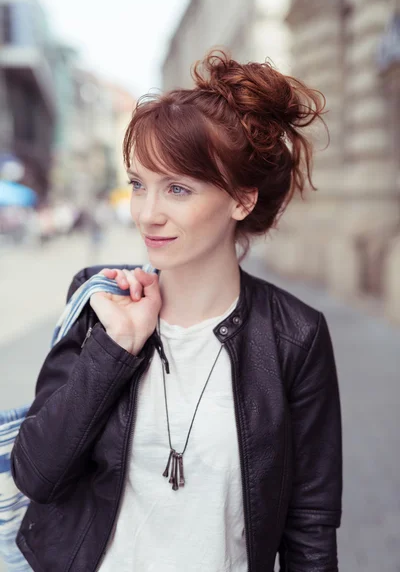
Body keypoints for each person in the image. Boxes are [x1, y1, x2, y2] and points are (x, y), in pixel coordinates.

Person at [11, 50, 342, 572]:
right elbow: (36, 474)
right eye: (139, 184)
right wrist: (115, 349)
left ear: (241, 200)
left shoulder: (294, 337)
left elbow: (310, 526)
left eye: (178, 189)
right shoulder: (102, 302)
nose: (147, 213)